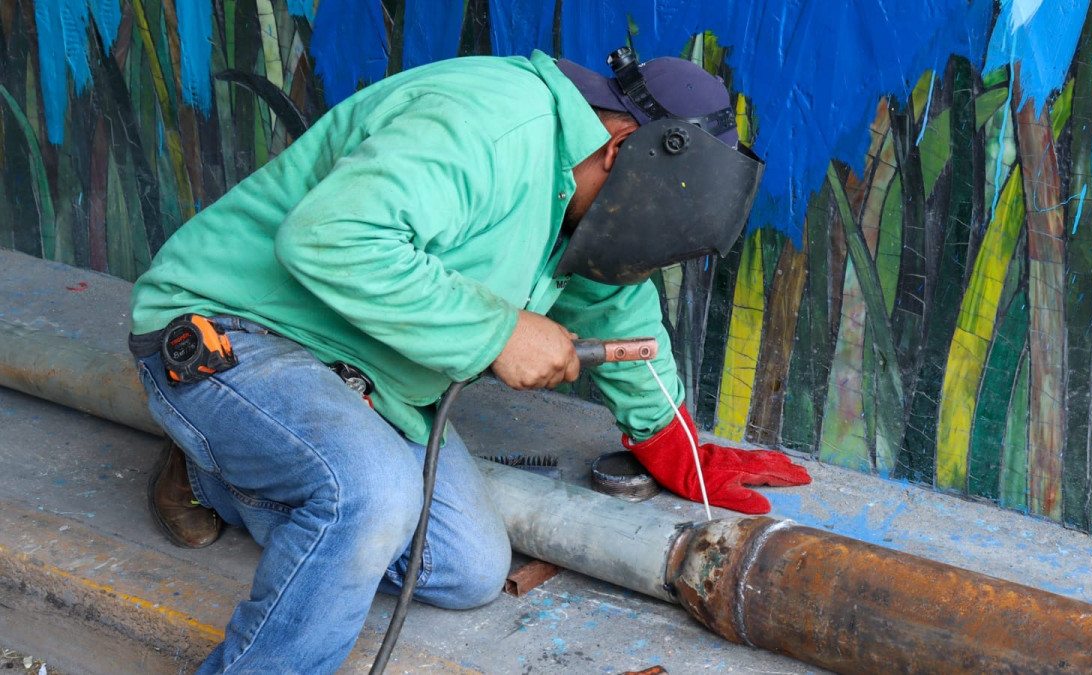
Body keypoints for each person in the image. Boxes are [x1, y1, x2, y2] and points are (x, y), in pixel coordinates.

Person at [129, 46, 811, 673]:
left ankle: (219, 467)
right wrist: (499, 334)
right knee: (371, 495)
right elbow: (326, 236)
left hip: (370, 375)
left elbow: (619, 313)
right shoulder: (490, 123)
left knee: (466, 567)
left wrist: (676, 444)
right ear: (622, 144)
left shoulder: (592, 199)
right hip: (234, 329)